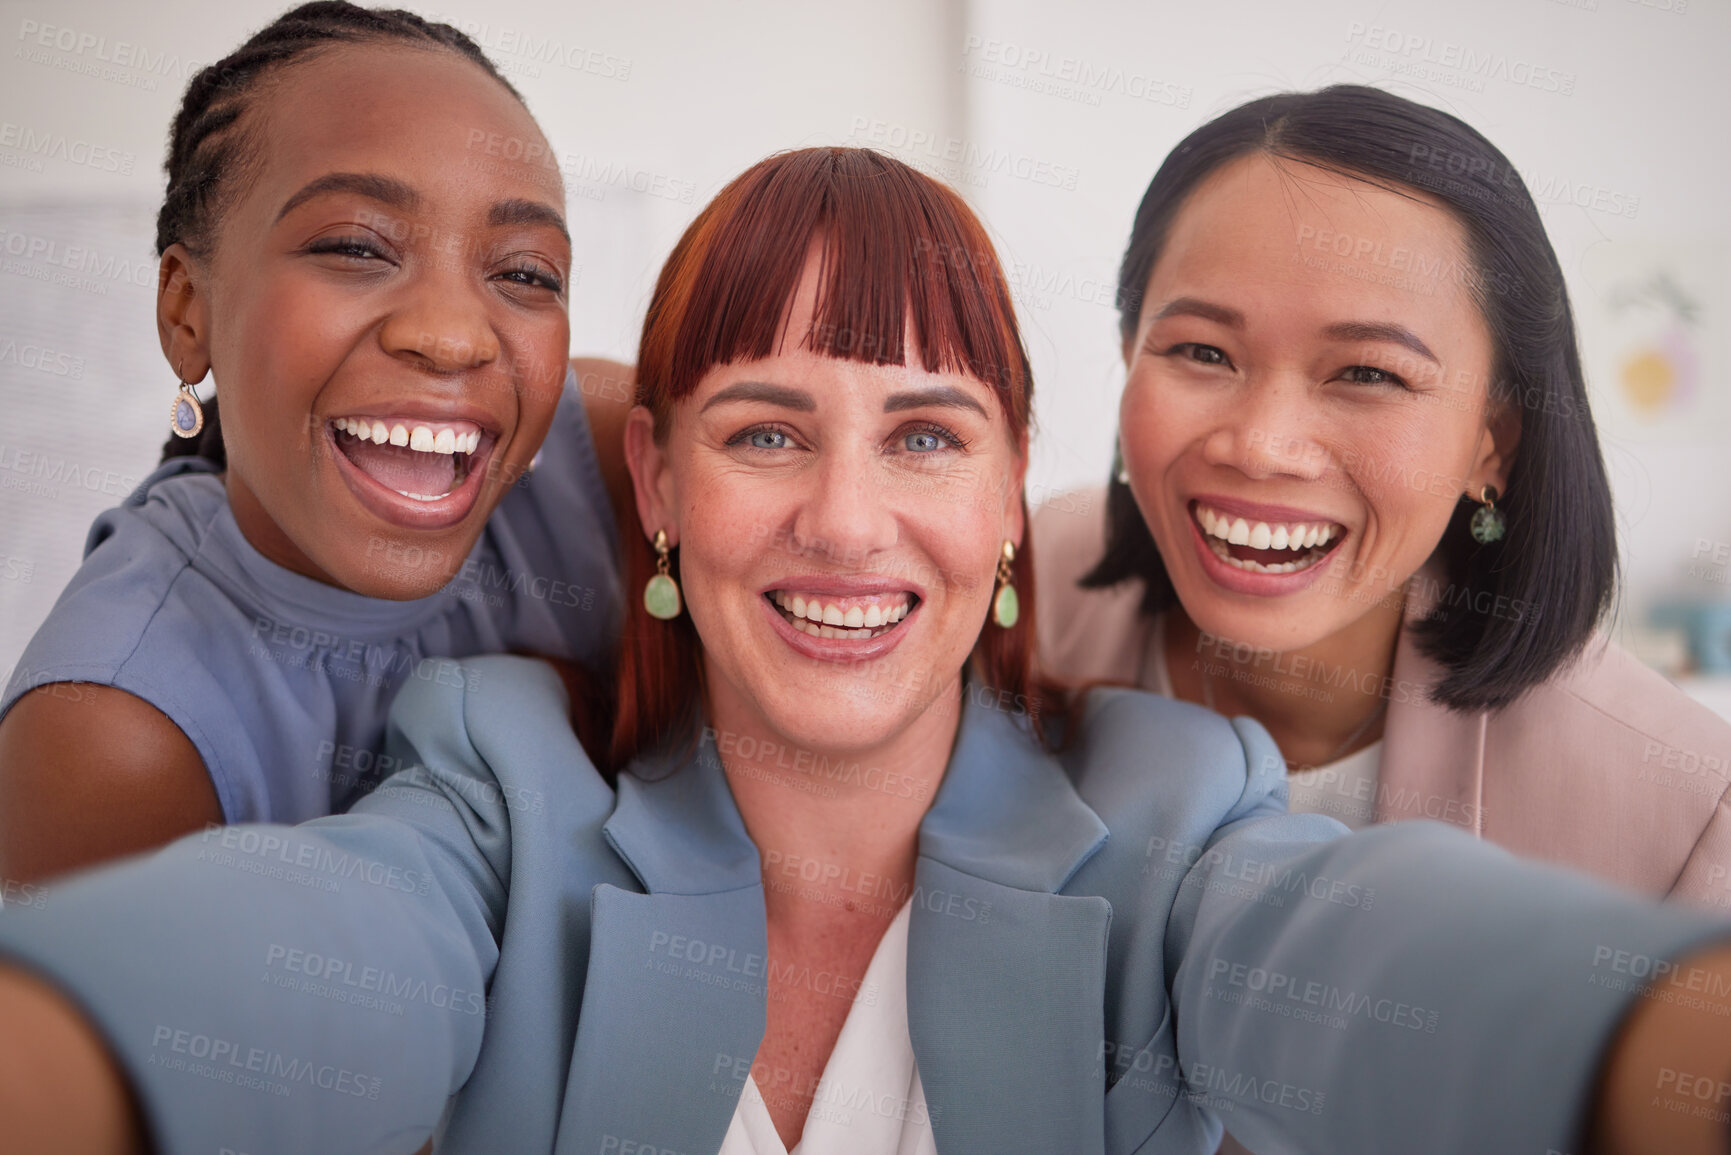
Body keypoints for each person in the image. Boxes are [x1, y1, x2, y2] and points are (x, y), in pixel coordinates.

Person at [2, 146, 1730, 1155]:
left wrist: (1662, 1041)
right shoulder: (494, 784)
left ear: (1007, 506)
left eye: (923, 437)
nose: (845, 520)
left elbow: (1381, 965)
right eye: (765, 434)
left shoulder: (1171, 813)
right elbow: (302, 957)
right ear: (659, 484)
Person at [1035, 85, 1731, 906]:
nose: (1260, 446)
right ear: (1128, 355)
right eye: (1201, 351)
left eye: (1368, 373)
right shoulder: (1023, 587)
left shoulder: (1687, 818)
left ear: (1493, 442)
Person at [0, 2, 629, 883]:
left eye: (524, 271)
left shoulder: (615, 455)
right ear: (188, 312)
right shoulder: (114, 734)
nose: (453, 337)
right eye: (354, 247)